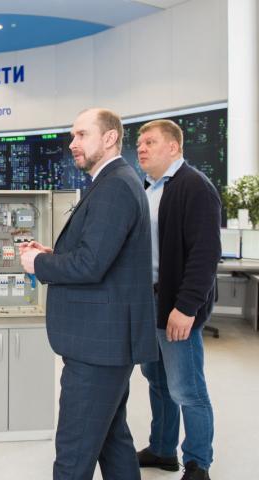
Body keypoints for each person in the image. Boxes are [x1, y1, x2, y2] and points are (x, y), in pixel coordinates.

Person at [19, 108, 157, 480]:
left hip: (98, 345)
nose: (72, 144)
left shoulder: (114, 186)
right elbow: (99, 255)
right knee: (112, 439)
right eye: (72, 136)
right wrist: (53, 254)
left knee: (73, 454)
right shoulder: (113, 181)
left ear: (110, 138)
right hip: (106, 342)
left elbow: (91, 265)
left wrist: (38, 264)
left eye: (81, 135)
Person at [135, 120, 220, 480]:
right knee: (157, 381)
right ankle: (163, 449)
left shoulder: (194, 186)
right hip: (149, 303)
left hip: (175, 305)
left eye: (150, 142)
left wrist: (186, 308)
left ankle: (198, 463)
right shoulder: (148, 188)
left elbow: (205, 254)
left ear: (173, 147)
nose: (141, 148)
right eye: (139, 143)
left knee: (188, 388)